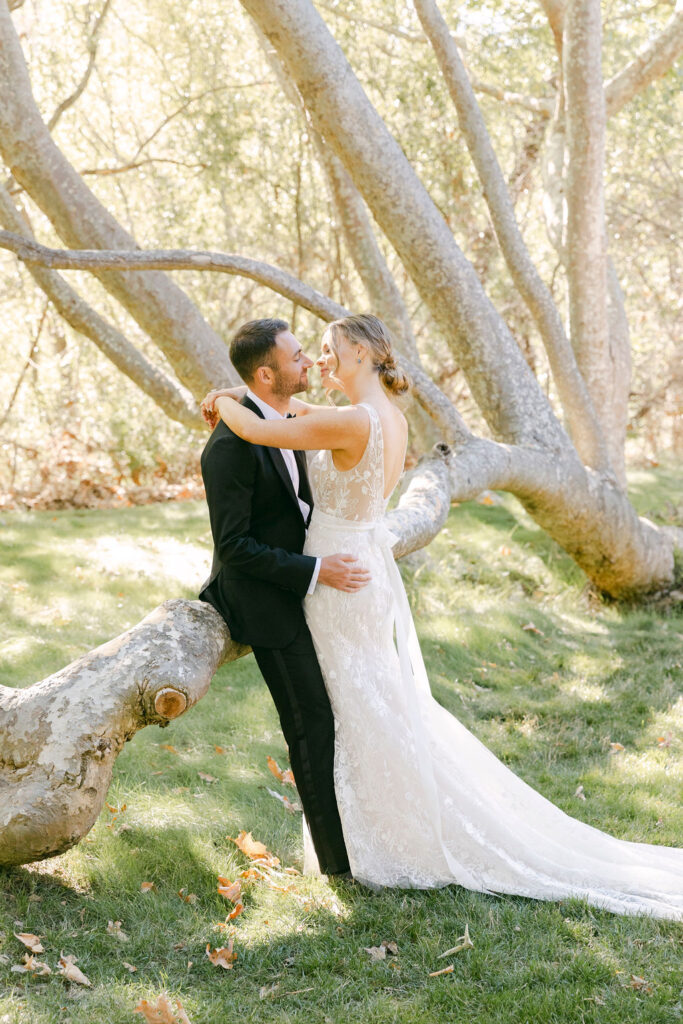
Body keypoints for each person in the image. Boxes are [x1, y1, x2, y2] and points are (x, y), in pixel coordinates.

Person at [204, 313, 683, 920]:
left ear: (358, 355)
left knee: (359, 706)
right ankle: (370, 835)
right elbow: (285, 423)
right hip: (360, 567)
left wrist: (224, 399)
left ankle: (389, 840)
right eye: (311, 353)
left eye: (326, 351)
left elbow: (257, 428)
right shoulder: (386, 418)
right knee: (370, 702)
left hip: (342, 577)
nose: (320, 362)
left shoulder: (350, 420)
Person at [198, 317, 371, 879]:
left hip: (303, 586)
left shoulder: (286, 417)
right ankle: (337, 865)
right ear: (267, 373)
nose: (309, 364)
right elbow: (236, 548)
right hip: (262, 599)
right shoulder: (227, 447)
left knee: (344, 710)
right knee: (311, 722)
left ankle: (361, 838)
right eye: (298, 357)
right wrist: (317, 569)